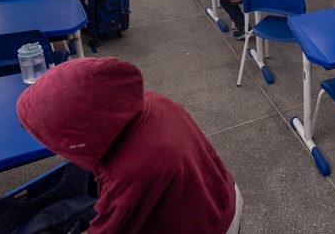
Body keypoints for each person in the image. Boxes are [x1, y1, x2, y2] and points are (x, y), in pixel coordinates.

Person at [16, 57, 241, 234]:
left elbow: (109, 229)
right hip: (221, 194)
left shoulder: (127, 171)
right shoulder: (153, 101)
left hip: (210, 228)